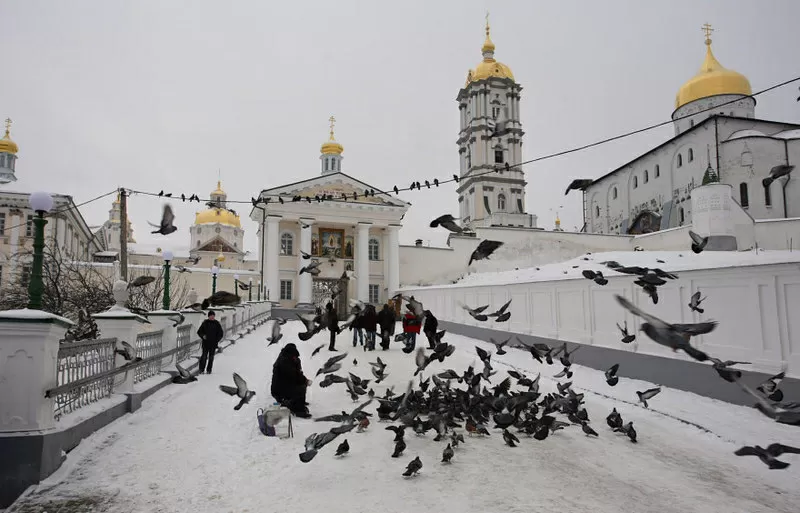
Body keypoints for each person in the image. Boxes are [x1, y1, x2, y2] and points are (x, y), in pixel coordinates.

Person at [271, 343, 312, 418]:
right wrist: (304, 380)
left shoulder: (287, 358)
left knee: (302, 384)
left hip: (283, 386)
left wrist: (304, 380)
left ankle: (299, 402)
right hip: (279, 391)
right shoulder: (284, 361)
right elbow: (293, 376)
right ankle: (298, 410)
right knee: (300, 387)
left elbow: (298, 373)